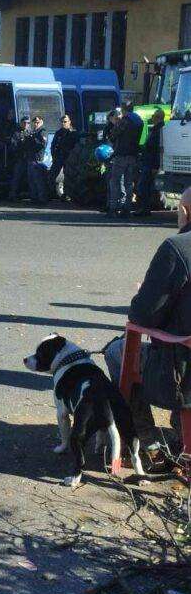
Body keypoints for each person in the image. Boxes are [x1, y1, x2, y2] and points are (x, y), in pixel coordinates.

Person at [104, 187, 191, 466]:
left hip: (181, 377)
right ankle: (182, 432)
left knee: (117, 351)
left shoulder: (177, 248)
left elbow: (142, 316)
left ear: (185, 212)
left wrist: (145, 293)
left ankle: (148, 444)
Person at [108, 98, 143, 217]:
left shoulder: (125, 120)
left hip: (121, 154)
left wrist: (116, 123)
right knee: (129, 182)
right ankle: (127, 208)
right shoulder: (139, 120)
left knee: (115, 181)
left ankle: (113, 208)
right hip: (133, 155)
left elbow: (113, 135)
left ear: (123, 109)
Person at [134, 107, 165, 217]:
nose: (152, 118)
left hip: (151, 163)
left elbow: (157, 150)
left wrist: (155, 166)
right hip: (148, 161)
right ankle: (144, 208)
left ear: (158, 118)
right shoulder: (156, 129)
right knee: (145, 186)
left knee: (143, 186)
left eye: (154, 116)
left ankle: (145, 209)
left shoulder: (159, 131)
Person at [49, 113, 78, 199]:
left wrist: (72, 158)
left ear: (69, 122)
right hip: (59, 157)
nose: (63, 123)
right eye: (62, 122)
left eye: (65, 121)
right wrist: (54, 156)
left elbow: (75, 147)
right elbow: (53, 145)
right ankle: (52, 194)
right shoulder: (59, 133)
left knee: (68, 176)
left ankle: (67, 194)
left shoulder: (74, 133)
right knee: (52, 175)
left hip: (69, 158)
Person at [8, 117, 30, 200]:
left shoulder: (30, 132)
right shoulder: (16, 133)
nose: (26, 124)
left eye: (28, 123)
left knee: (30, 178)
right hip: (20, 158)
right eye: (24, 123)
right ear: (21, 123)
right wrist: (21, 146)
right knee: (17, 177)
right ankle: (13, 195)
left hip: (29, 159)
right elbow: (13, 146)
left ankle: (30, 194)